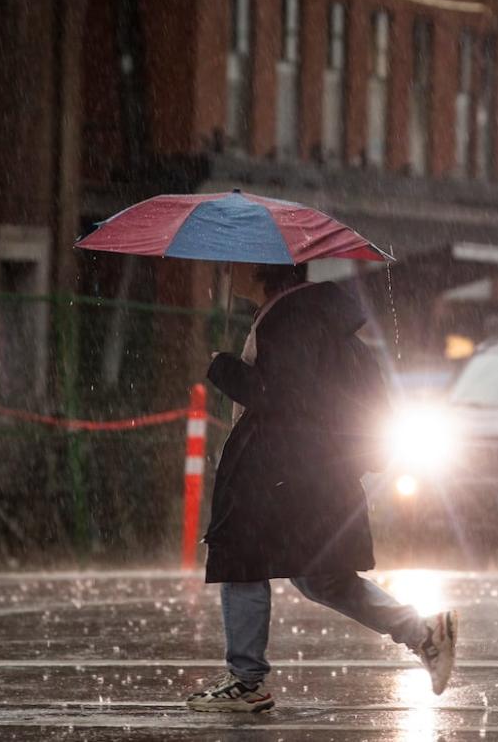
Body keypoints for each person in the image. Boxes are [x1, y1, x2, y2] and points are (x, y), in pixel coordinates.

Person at [186, 262, 457, 713]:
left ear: (261, 269)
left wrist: (223, 368)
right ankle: (423, 633)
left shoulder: (289, 319)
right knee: (322, 576)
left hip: (282, 474)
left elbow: (282, 397)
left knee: (241, 557)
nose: (228, 272)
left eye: (235, 265)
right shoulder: (314, 315)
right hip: (313, 472)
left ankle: (246, 679)